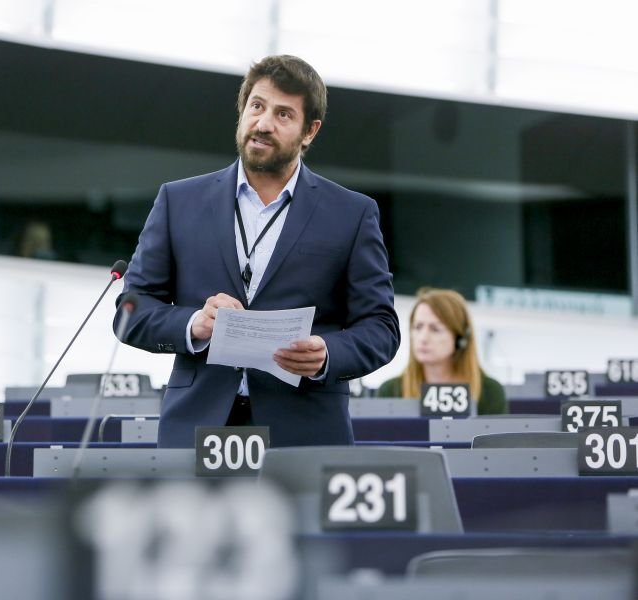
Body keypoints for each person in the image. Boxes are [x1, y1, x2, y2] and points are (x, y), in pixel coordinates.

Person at [114, 55, 400, 448]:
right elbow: (131, 311)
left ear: (310, 131)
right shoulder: (177, 201)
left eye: (283, 114)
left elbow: (381, 327)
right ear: (242, 111)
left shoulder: (352, 214)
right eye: (257, 106)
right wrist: (194, 325)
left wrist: (328, 354)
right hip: (196, 432)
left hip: (306, 435)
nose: (263, 123)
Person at [376, 287, 508, 414]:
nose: (423, 338)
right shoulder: (391, 391)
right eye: (418, 327)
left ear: (460, 338)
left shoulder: (489, 392)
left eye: (435, 329)